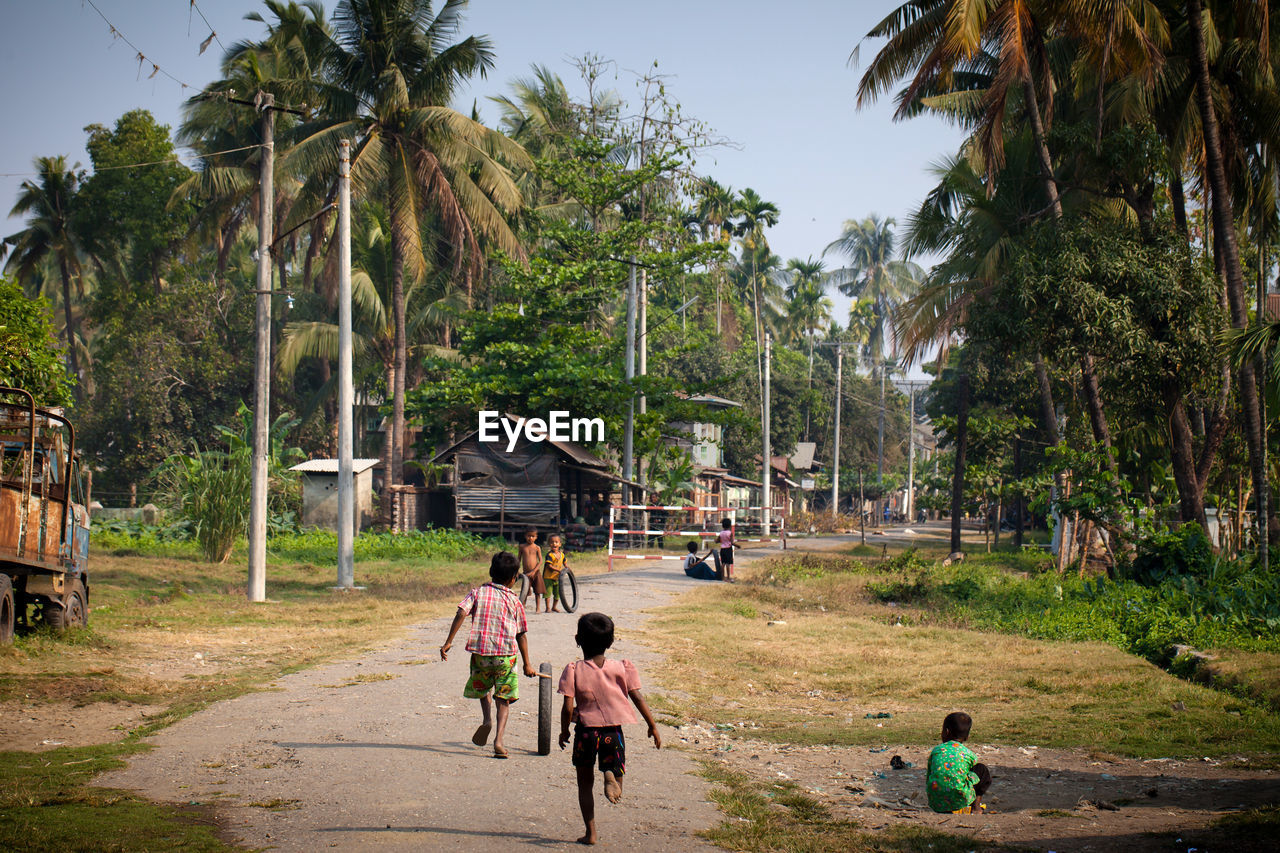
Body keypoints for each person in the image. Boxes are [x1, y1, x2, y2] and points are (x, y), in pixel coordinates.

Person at [558, 612, 661, 845]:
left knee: (584, 783)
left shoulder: (573, 669)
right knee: (617, 773)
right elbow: (637, 697)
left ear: (578, 640)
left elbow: (567, 707)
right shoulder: (622, 668)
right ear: (611, 642)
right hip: (613, 733)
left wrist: (564, 731)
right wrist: (652, 725)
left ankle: (591, 832)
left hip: (585, 732)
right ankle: (610, 773)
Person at [439, 551, 537, 759]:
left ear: (491, 572)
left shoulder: (477, 593)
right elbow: (521, 635)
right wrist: (528, 664)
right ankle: (499, 741)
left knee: (483, 687)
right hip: (506, 657)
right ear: (513, 579)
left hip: (481, 655)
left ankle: (486, 720)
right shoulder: (515, 601)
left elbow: (461, 613)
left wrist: (448, 642)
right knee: (504, 698)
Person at [926, 711, 992, 813]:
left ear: (946, 732)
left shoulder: (936, 751)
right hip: (960, 800)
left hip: (936, 803)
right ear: (967, 737)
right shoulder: (969, 754)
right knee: (981, 770)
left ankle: (946, 802)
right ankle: (976, 807)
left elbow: (929, 775)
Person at [518, 527, 546, 613]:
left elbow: (541, 561)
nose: (530, 538)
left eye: (533, 536)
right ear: (525, 536)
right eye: (528, 536)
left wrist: (534, 571)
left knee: (538, 591)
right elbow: (518, 559)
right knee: (525, 591)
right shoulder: (522, 547)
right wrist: (517, 570)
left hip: (536, 572)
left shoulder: (537, 547)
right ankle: (523, 606)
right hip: (526, 573)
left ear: (536, 537)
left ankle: (538, 608)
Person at [544, 533, 569, 613]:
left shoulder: (562, 555)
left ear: (560, 544)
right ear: (549, 544)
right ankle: (547, 608)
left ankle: (554, 607)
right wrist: (559, 570)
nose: (554, 544)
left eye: (556, 542)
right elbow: (549, 566)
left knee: (557, 594)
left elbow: (565, 563)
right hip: (548, 577)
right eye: (552, 542)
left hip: (558, 577)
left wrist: (567, 569)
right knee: (548, 593)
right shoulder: (550, 555)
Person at [717, 518, 739, 582]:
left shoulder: (721, 533)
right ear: (729, 525)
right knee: (728, 564)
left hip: (722, 549)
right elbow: (732, 542)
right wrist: (737, 546)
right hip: (728, 549)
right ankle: (728, 577)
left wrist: (715, 541)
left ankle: (722, 577)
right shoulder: (730, 533)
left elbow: (718, 540)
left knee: (723, 563)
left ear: (722, 525)